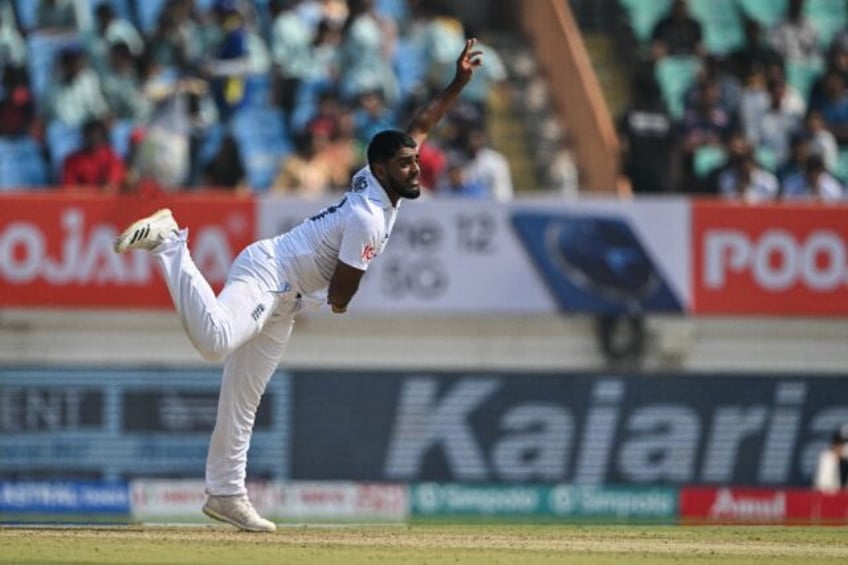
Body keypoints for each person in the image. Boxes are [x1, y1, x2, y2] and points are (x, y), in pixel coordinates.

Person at [112, 39, 483, 532]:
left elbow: (420, 125)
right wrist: (338, 304)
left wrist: (457, 82)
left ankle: (225, 493)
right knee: (214, 342)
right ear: (380, 170)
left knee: (243, 399)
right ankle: (170, 242)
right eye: (405, 165)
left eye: (414, 162)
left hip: (284, 298)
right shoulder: (369, 217)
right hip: (270, 274)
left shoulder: (377, 179)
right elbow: (341, 297)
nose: (415, 168)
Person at [814, 425, 848, 493]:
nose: (844, 447)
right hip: (830, 501)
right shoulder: (827, 459)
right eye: (841, 444)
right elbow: (823, 488)